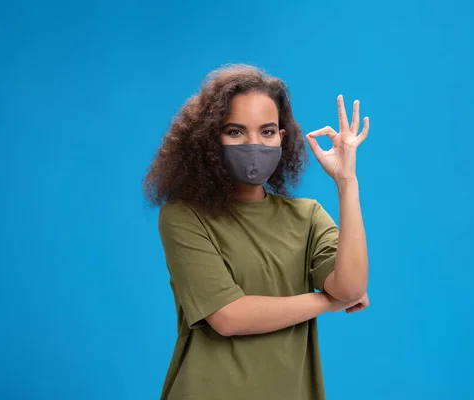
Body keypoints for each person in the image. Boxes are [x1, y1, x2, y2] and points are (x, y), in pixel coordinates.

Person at [143, 64, 370, 400]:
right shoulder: (184, 217)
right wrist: (326, 301)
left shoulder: (307, 217)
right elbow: (228, 316)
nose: (253, 144)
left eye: (266, 131)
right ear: (210, 138)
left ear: (282, 136)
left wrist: (346, 182)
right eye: (235, 131)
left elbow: (351, 287)